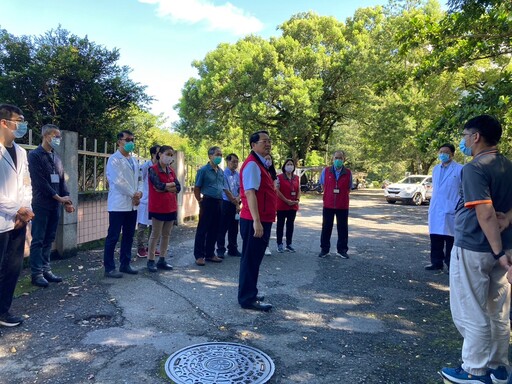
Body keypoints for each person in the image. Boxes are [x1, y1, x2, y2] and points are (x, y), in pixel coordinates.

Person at [440, 115, 512, 384]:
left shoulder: (474, 168)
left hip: (476, 248)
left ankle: (474, 369)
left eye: (465, 135)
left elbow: (485, 214)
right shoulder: (508, 166)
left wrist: (496, 252)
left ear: (476, 137)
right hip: (505, 250)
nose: (463, 141)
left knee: (470, 309)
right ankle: (498, 368)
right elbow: (499, 214)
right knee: (499, 311)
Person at [28, 124, 76, 288]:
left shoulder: (56, 157)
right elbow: (40, 182)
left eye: (59, 136)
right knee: (38, 240)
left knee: (49, 239)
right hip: (41, 204)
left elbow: (62, 180)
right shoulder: (34, 155)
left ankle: (46, 269)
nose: (58, 139)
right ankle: (36, 273)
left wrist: (67, 200)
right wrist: (58, 198)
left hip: (56, 205)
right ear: (46, 135)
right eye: (55, 136)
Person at [0, 104, 34, 327]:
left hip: (19, 221)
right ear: (4, 122)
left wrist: (26, 210)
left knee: (13, 267)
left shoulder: (21, 152)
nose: (21, 125)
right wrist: (16, 209)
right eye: (17, 120)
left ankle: (3, 311)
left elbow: (26, 183)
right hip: (4, 219)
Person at [238, 130, 276, 311]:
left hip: (262, 218)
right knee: (250, 259)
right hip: (254, 220)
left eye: (269, 141)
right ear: (253, 145)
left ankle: (250, 291)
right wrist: (257, 221)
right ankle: (247, 298)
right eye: (264, 141)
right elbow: (249, 193)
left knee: (254, 259)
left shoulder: (262, 164)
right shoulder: (253, 165)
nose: (268, 144)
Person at [103, 130, 142, 278]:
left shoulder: (134, 160)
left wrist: (139, 193)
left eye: (132, 139)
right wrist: (134, 194)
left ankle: (125, 264)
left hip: (133, 204)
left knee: (129, 235)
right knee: (113, 236)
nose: (130, 142)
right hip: (118, 205)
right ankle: (109, 268)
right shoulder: (114, 159)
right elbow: (118, 181)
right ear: (119, 141)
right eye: (127, 139)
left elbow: (140, 180)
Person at [425, 143, 463, 272]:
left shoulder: (459, 169)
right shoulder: (435, 169)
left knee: (450, 239)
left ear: (452, 154)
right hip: (436, 208)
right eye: (441, 152)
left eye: (446, 152)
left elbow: (463, 189)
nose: (443, 154)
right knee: (435, 237)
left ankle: (451, 264)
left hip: (451, 208)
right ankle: (436, 262)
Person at [146, 145, 180, 272]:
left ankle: (162, 259)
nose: (169, 157)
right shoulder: (152, 170)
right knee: (155, 234)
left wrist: (167, 187)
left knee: (166, 234)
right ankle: (150, 260)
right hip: (158, 207)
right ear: (160, 154)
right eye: (167, 154)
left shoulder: (171, 171)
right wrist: (169, 187)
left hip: (171, 207)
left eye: (172, 155)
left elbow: (178, 187)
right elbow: (157, 185)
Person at [193, 146, 224, 266]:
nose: (219, 157)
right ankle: (199, 255)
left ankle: (210, 253)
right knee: (203, 228)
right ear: (210, 156)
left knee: (215, 229)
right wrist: (199, 200)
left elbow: (223, 187)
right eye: (217, 154)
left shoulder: (220, 172)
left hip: (219, 201)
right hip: (207, 201)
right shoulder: (203, 170)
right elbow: (197, 187)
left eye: (221, 155)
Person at [318, 150, 352, 259]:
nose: (338, 160)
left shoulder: (348, 173)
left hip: (342, 205)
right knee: (326, 228)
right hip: (328, 204)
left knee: (343, 228)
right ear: (333, 159)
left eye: (340, 158)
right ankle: (324, 249)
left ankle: (342, 250)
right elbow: (323, 185)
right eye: (336, 158)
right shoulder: (326, 171)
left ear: (344, 159)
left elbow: (349, 188)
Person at [136, 144, 160, 259]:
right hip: (145, 200)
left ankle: (152, 247)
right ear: (153, 154)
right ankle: (140, 248)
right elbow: (140, 181)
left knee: (154, 226)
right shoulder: (146, 166)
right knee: (142, 225)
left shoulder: (161, 167)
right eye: (158, 153)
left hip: (156, 200)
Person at [216, 153, 241, 258]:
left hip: (236, 203)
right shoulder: (223, 174)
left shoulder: (238, 175)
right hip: (226, 203)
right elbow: (225, 189)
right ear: (227, 161)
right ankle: (220, 249)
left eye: (237, 162)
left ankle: (233, 248)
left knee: (234, 228)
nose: (235, 164)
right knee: (222, 227)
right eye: (233, 161)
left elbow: (241, 189)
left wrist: (238, 199)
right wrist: (235, 201)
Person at [275, 158, 300, 253]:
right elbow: (277, 190)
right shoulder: (279, 177)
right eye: (288, 164)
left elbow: (299, 190)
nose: (290, 166)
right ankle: (279, 244)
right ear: (284, 166)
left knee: (290, 225)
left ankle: (289, 244)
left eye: (291, 164)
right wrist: (286, 200)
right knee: (280, 225)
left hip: (293, 205)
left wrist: (297, 200)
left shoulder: (296, 178)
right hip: (282, 205)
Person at [264, 154, 277, 256]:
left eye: (269, 159)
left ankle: (266, 246)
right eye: (266, 159)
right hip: (261, 203)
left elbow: (276, 189)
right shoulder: (259, 170)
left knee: (268, 226)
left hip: (270, 203)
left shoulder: (273, 174)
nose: (268, 160)